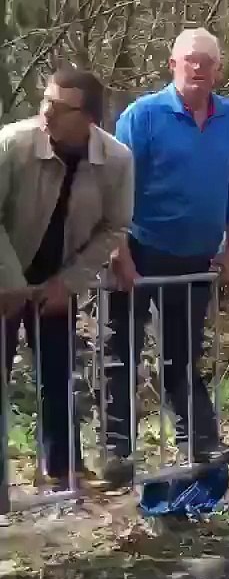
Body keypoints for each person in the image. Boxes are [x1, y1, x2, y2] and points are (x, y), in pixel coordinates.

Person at [104, 28, 229, 485]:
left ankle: (201, 441)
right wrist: (119, 251)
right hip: (141, 248)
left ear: (219, 70)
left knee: (183, 355)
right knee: (120, 351)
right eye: (190, 60)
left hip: (196, 255)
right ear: (172, 65)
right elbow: (115, 190)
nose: (199, 68)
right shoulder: (142, 116)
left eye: (208, 62)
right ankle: (116, 449)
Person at [0, 68, 133, 490]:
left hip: (57, 278)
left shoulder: (116, 160)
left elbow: (114, 227)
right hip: (4, 273)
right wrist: (11, 283)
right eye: (46, 100)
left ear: (89, 118)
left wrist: (70, 283)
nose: (46, 111)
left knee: (57, 375)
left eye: (60, 106)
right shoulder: (11, 144)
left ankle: (62, 470)